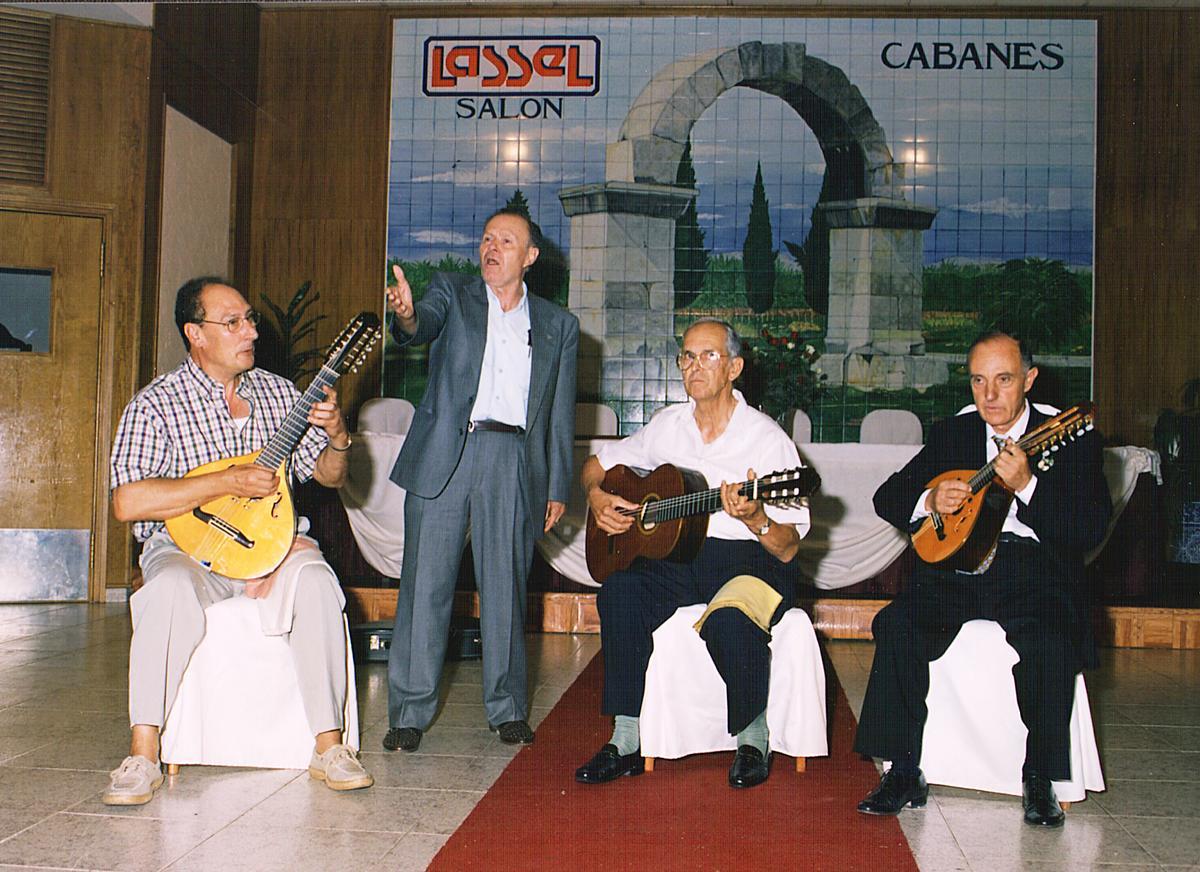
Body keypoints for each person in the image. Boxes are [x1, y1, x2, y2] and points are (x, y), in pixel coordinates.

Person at [105, 276, 372, 806]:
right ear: (195, 334)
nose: (250, 330)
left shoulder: (278, 394)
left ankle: (328, 746)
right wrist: (226, 482)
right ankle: (143, 753)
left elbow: (330, 476)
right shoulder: (157, 404)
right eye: (233, 322)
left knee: (317, 581)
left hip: (275, 550)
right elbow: (127, 503)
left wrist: (339, 435)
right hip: (186, 551)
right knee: (164, 591)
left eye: (249, 318)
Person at [854, 330, 1111, 827]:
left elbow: (1089, 526)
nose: (989, 396)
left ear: (1030, 380)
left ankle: (1040, 777)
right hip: (955, 569)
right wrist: (930, 501)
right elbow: (887, 497)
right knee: (898, 625)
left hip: (1031, 567)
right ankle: (902, 769)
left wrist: (1029, 486)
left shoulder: (1071, 434)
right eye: (978, 381)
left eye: (1004, 380)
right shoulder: (955, 433)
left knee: (1050, 640)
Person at [574, 319, 811, 789]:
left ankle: (752, 738)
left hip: (749, 561)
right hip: (680, 558)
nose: (694, 366)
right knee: (619, 591)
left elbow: (789, 546)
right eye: (686, 356)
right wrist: (596, 497)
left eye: (708, 356)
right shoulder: (666, 426)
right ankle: (625, 738)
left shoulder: (767, 440)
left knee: (729, 618)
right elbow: (594, 467)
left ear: (734, 368)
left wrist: (756, 517)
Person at [382, 208, 579, 751]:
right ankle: (407, 715)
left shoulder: (558, 325)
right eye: (486, 237)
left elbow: (560, 414)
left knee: (507, 587)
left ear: (530, 257)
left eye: (506, 240)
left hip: (512, 460)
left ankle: (508, 708)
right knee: (426, 588)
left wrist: (557, 485)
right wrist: (405, 315)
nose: (491, 247)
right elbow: (421, 322)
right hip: (450, 450)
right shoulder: (454, 292)